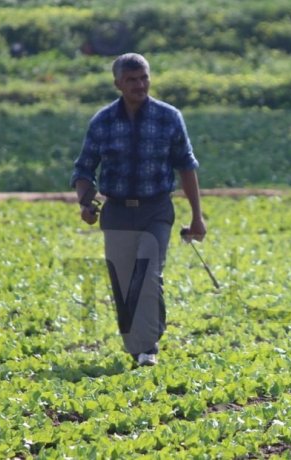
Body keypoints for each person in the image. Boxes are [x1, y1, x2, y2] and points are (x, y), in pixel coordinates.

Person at [70, 53, 206, 367]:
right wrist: (85, 203)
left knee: (147, 273)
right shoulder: (103, 121)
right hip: (117, 211)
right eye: (131, 80)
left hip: (155, 210)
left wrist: (197, 217)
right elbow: (84, 169)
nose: (139, 85)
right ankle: (138, 344)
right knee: (123, 282)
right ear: (118, 83)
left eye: (144, 78)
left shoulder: (169, 117)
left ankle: (148, 346)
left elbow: (186, 166)